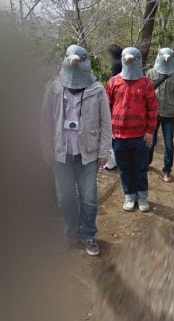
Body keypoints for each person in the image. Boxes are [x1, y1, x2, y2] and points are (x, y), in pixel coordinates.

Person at [40, 45, 112, 256]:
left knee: (89, 197)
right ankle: (71, 233)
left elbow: (106, 123)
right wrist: (46, 150)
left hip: (87, 154)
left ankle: (88, 234)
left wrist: (103, 151)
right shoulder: (53, 88)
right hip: (61, 153)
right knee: (65, 198)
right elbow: (44, 122)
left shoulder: (97, 90)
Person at [106, 47, 158, 212]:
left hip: (139, 136)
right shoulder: (113, 82)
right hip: (119, 136)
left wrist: (149, 131)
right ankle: (129, 196)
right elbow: (106, 108)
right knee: (124, 168)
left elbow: (152, 109)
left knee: (140, 169)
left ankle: (142, 197)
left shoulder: (146, 83)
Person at [146, 48, 174, 183]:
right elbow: (146, 95)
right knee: (151, 142)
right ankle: (146, 163)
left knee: (168, 144)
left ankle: (167, 170)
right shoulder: (151, 73)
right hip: (153, 113)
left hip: (169, 114)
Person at [103, 44, 123, 171]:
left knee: (112, 136)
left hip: (116, 102)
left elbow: (113, 83)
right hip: (122, 102)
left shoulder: (117, 64)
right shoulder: (123, 62)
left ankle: (112, 163)